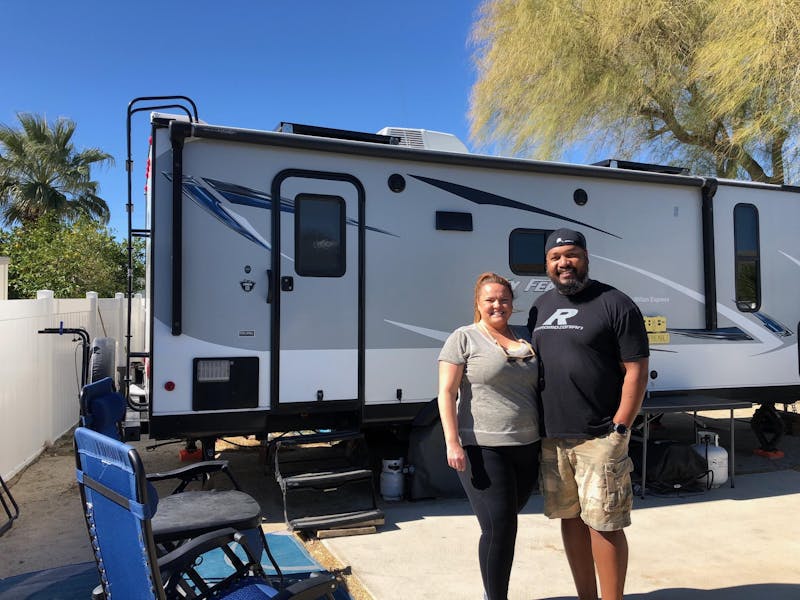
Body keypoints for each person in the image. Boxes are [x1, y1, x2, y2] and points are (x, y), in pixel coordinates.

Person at [527, 229, 649, 600]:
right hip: (553, 437)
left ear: (586, 256)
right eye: (555, 257)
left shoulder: (615, 302)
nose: (564, 263)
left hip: (600, 436)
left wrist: (620, 427)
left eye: (571, 254)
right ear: (547, 264)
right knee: (570, 519)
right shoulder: (540, 306)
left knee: (604, 525)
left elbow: (637, 369)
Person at [438, 272, 541, 600]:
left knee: (506, 518)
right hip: (482, 447)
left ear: (512, 303)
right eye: (490, 300)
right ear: (478, 304)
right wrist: (452, 442)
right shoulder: (463, 338)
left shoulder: (526, 337)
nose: (498, 305)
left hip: (528, 445)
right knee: (501, 529)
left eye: (504, 299)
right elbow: (446, 391)